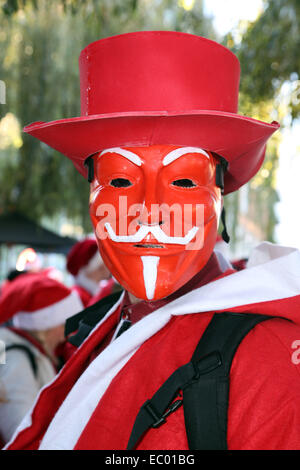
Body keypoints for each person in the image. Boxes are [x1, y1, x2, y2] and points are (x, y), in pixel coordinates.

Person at [5, 32, 300, 450]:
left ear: (220, 199)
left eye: (182, 181)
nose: (149, 213)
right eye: (121, 180)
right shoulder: (109, 320)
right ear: (90, 195)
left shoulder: (271, 361)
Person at [0, 272, 83, 444]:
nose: (65, 334)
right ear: (45, 325)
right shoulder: (17, 359)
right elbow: (18, 432)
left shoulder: (27, 352)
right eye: (63, 325)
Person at [66, 238, 114, 307]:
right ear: (99, 266)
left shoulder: (94, 293)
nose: (111, 264)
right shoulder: (77, 297)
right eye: (107, 259)